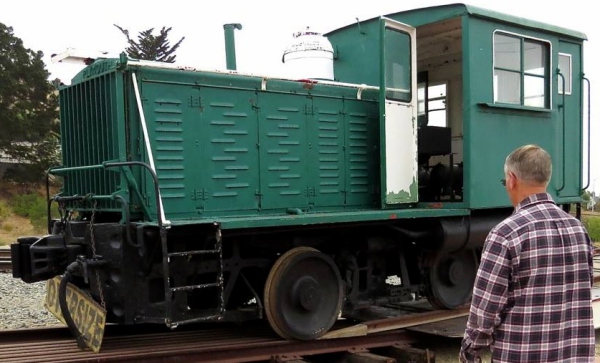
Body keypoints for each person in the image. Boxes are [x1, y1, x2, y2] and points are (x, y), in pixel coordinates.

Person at [459, 144, 595, 362]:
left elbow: (485, 311)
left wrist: (470, 352)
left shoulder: (505, 234)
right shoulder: (578, 229)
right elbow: (582, 289)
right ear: (546, 180)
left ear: (512, 179)